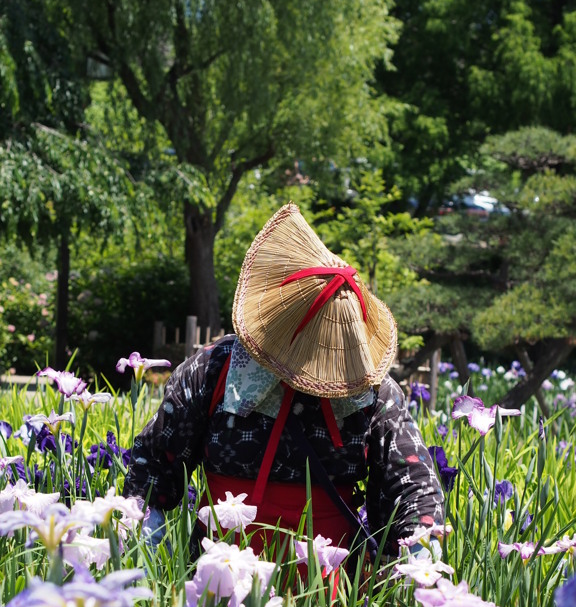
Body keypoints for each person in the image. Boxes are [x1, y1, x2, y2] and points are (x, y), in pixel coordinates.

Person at [123, 203, 444, 562]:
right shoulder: (214, 370)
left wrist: (416, 562)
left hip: (322, 589)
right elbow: (152, 470)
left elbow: (414, 495)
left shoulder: (372, 393)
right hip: (220, 580)